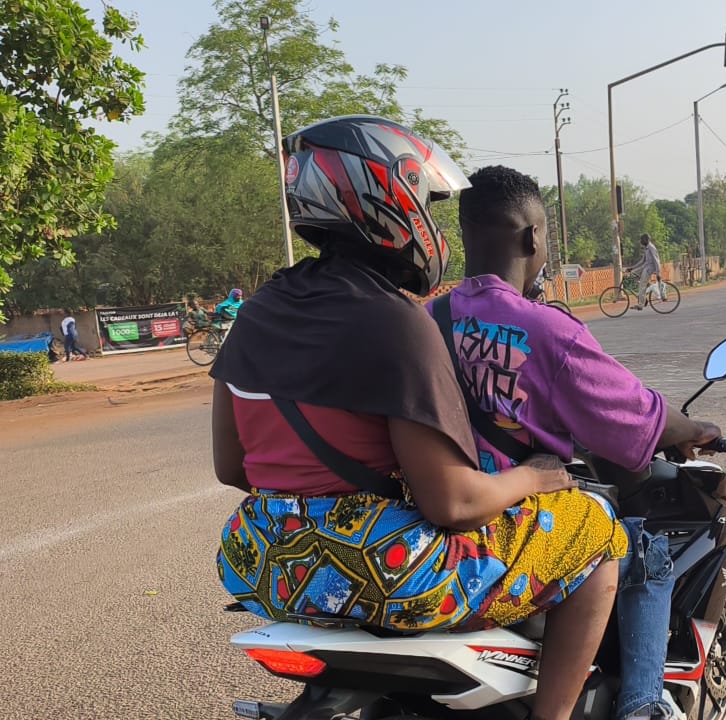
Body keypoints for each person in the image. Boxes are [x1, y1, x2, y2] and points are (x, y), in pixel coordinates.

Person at [209, 116, 624, 720]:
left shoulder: (256, 313)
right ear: (389, 197)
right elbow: (452, 504)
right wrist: (538, 477)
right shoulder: (398, 321)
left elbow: (232, 466)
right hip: (383, 567)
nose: (432, 225)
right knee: (595, 529)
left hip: (264, 563)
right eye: (426, 204)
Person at [430, 165, 720, 720]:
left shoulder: (426, 320)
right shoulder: (546, 328)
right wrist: (694, 429)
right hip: (518, 521)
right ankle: (640, 702)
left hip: (434, 513)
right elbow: (636, 414)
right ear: (533, 237)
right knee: (642, 550)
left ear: (464, 234)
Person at [626, 233, 666, 309]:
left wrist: (658, 272)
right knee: (633, 274)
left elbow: (656, 260)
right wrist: (632, 268)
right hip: (645, 266)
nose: (641, 241)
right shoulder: (646, 248)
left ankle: (640, 305)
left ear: (646, 240)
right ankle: (646, 289)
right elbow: (642, 261)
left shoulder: (651, 247)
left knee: (641, 286)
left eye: (642, 240)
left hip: (649, 269)